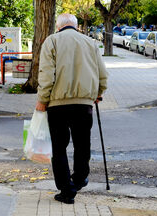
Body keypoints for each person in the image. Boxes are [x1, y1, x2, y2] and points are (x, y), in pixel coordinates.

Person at [35, 13, 108, 204]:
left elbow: (46, 74)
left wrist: (42, 99)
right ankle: (80, 177)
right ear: (76, 26)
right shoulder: (91, 43)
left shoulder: (52, 41)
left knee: (58, 148)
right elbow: (102, 73)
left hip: (57, 105)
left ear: (58, 27)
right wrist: (98, 93)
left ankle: (67, 190)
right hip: (84, 104)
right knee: (82, 144)